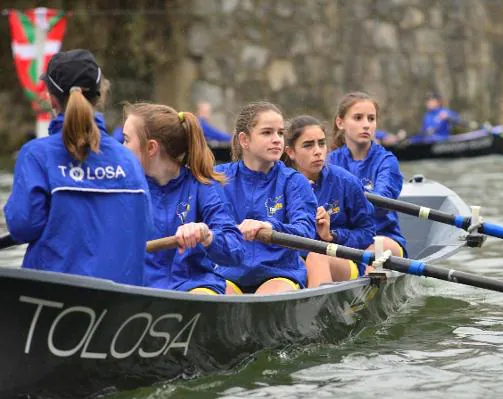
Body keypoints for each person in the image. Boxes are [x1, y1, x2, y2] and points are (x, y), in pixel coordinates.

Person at [3, 49, 151, 285]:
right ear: (101, 94)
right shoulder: (128, 161)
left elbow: (22, 226)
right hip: (122, 304)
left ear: (51, 98)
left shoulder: (35, 155)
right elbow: (145, 227)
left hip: (49, 296)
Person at [123, 103, 244, 294]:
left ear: (151, 147)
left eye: (126, 140)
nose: (122, 148)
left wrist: (207, 236)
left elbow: (236, 250)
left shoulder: (202, 187)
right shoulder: (126, 189)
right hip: (140, 291)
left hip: (195, 288)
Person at [216, 102, 317, 295]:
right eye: (267, 133)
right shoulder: (218, 178)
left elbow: (305, 232)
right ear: (244, 140)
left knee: (265, 298)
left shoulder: (294, 182)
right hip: (229, 272)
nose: (277, 140)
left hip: (279, 272)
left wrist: (270, 227)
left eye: (280, 133)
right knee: (213, 295)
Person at [284, 115, 375, 287]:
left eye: (321, 143)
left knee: (316, 257)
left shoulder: (346, 182)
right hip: (294, 262)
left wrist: (331, 235)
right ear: (290, 152)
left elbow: (367, 233)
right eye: (308, 145)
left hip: (340, 260)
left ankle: (318, 312)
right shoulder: (278, 184)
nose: (318, 151)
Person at [329, 91, 407, 258]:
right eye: (358, 118)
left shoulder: (387, 161)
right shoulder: (329, 161)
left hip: (382, 238)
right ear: (340, 122)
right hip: (343, 240)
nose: (366, 125)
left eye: (371, 119)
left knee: (371, 252)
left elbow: (382, 202)